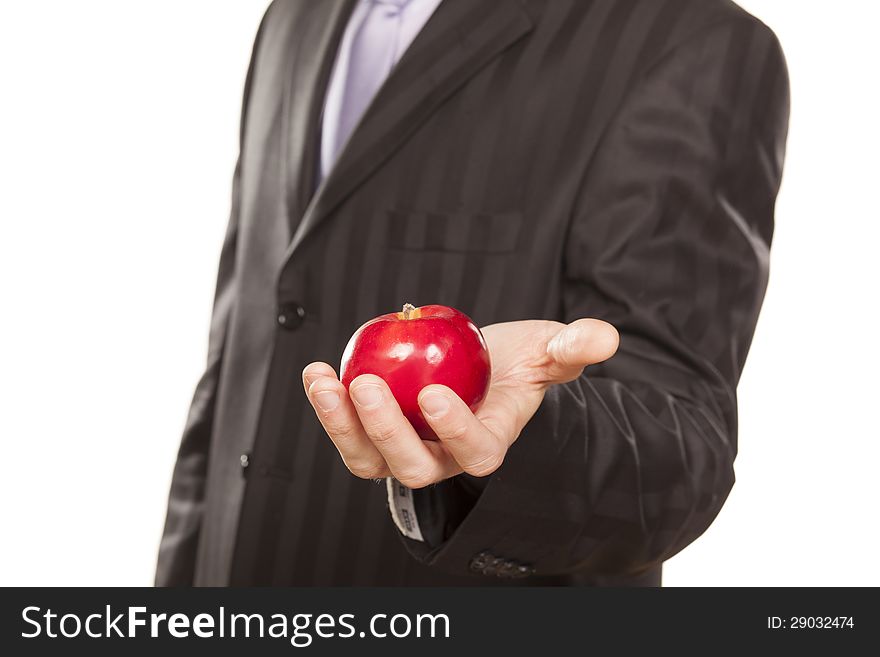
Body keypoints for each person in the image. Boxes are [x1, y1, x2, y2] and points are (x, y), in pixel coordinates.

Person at [157, 0, 790, 586]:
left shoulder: (688, 40)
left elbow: (681, 442)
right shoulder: (298, 14)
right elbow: (235, 361)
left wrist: (517, 434)